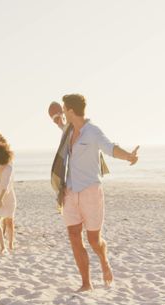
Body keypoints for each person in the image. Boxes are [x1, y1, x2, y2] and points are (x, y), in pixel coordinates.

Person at [50, 94, 139, 292]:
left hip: (90, 191)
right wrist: (56, 118)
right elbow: (61, 125)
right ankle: (86, 283)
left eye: (65, 109)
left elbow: (110, 148)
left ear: (72, 110)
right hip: (70, 191)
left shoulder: (93, 132)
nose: (64, 111)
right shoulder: (69, 130)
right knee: (74, 235)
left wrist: (128, 157)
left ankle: (104, 260)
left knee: (93, 240)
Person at [0, 142, 16, 254]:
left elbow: (5, 185)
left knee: (9, 221)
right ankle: (2, 246)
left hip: (8, 196)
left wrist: (0, 199)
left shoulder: (9, 167)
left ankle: (10, 243)